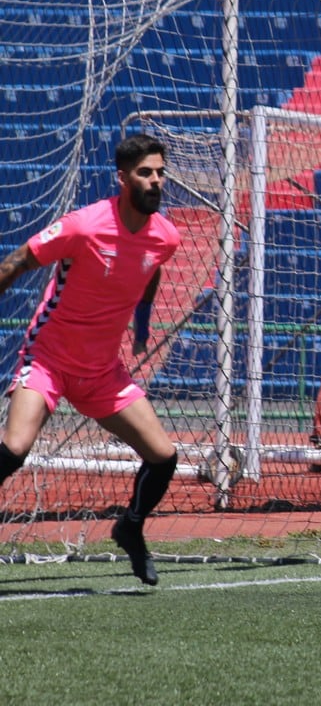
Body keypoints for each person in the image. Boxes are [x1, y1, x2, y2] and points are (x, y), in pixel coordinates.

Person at [0, 133, 182, 586]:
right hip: (48, 360)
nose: (155, 181)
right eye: (145, 173)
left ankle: (130, 528)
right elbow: (19, 260)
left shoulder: (166, 236)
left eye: (160, 172)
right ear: (122, 178)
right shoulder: (84, 226)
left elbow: (151, 270)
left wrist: (141, 327)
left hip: (102, 373)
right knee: (15, 449)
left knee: (163, 456)